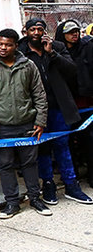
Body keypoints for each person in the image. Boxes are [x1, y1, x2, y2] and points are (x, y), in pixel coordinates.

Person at [0, 28, 52, 219]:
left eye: (8, 44)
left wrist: (40, 121)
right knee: (5, 164)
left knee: (30, 163)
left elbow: (39, 94)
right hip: (1, 127)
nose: (3, 47)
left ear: (16, 46)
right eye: (0, 43)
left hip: (28, 124)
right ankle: (12, 203)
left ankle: (35, 198)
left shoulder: (28, 65)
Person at [18, 18, 92, 204]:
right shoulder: (20, 51)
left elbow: (72, 70)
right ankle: (48, 184)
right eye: (32, 29)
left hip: (58, 106)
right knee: (43, 149)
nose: (36, 32)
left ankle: (71, 185)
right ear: (25, 31)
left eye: (40, 29)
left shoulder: (57, 46)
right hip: (34, 109)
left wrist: (52, 54)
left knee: (62, 145)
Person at [55, 19, 93, 186]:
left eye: (76, 31)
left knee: (89, 140)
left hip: (86, 102)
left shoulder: (87, 48)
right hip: (66, 105)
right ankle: (71, 176)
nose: (75, 34)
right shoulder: (56, 52)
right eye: (70, 32)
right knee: (66, 142)